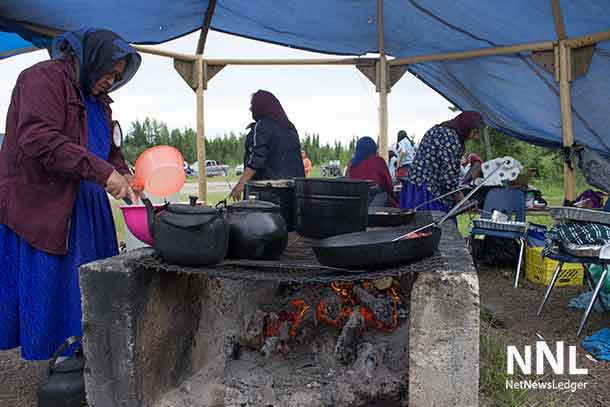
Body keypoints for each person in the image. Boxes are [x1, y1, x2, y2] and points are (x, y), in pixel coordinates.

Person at [0, 29, 141, 360]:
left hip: (87, 206)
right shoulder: (41, 79)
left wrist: (122, 172)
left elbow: (108, 149)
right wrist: (104, 174)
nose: (110, 80)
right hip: (43, 203)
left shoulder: (98, 102)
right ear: (92, 56)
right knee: (56, 289)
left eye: (117, 77)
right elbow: (39, 139)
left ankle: (86, 353)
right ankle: (60, 361)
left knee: (89, 286)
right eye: (109, 71)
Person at [400, 111, 485, 212]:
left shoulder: (438, 129)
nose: (474, 137)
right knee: (436, 225)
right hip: (426, 192)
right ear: (466, 126)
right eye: (474, 132)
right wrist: (464, 203)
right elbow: (449, 179)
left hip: (415, 187)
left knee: (414, 224)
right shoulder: (450, 138)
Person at [230, 90, 305, 200]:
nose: (250, 109)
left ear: (260, 106)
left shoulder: (264, 125)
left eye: (252, 105)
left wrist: (241, 184)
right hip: (293, 191)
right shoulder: (290, 127)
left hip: (270, 191)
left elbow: (258, 158)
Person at [347, 137, 397, 207]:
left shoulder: (351, 164)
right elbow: (389, 184)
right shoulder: (378, 161)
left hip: (355, 205)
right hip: (377, 204)